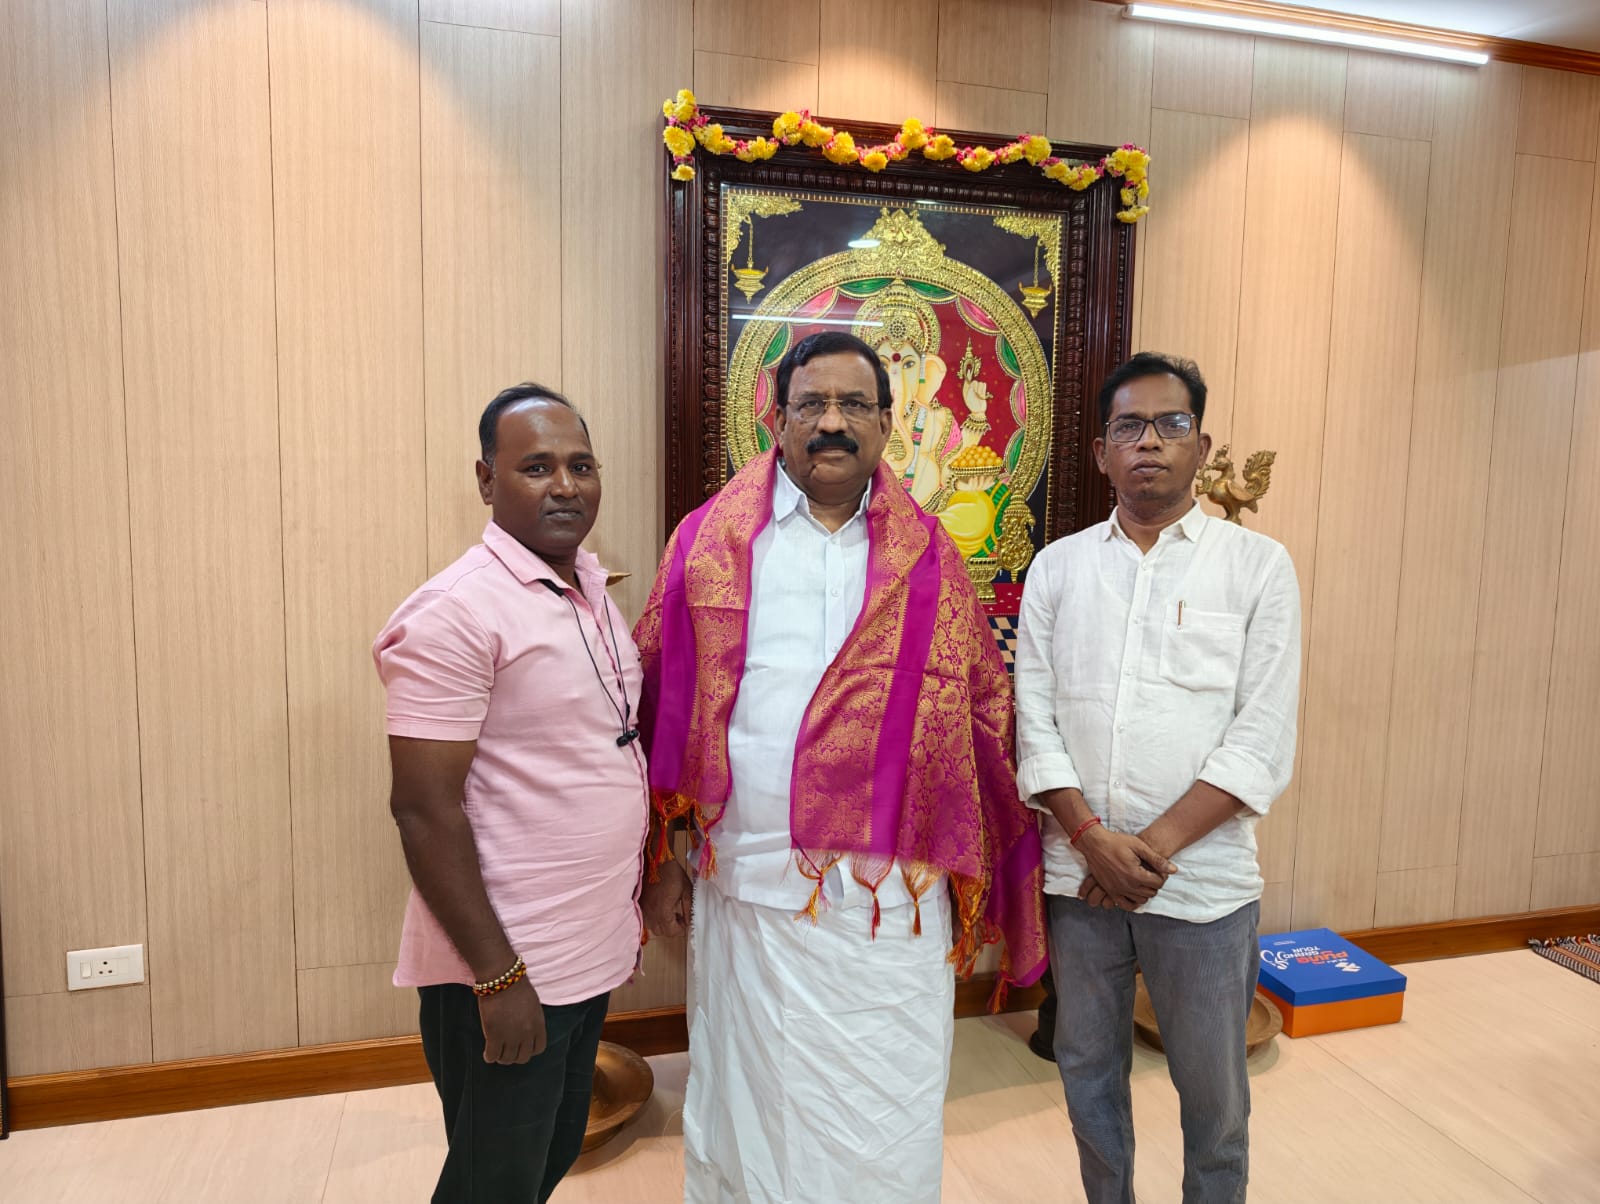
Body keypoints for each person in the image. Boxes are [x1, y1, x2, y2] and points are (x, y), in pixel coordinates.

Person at [634, 331, 1047, 1204]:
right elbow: (663, 704)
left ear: (888, 424)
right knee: (751, 1107)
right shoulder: (708, 543)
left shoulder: (932, 556)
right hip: (745, 885)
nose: (831, 422)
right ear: (776, 419)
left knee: (881, 1112)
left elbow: (980, 713)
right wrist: (667, 849)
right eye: (811, 404)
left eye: (854, 404)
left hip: (888, 905)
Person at [1013, 352, 1301, 1204]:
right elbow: (1034, 718)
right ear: (1101, 452)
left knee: (1214, 1101)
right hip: (1079, 880)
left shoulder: (1258, 567)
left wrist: (1146, 850)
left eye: (1171, 424)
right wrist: (1090, 839)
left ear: (1201, 447)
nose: (1150, 442)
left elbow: (1260, 738)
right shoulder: (1058, 568)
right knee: (1087, 1075)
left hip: (1202, 885)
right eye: (1129, 427)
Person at [373, 384, 648, 1204]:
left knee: (549, 1152)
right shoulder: (456, 612)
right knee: (491, 1185)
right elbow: (422, 809)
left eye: (581, 466)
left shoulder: (588, 588)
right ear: (487, 479)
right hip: (508, 963)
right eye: (536, 467)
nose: (565, 485)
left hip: (585, 946)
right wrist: (498, 979)